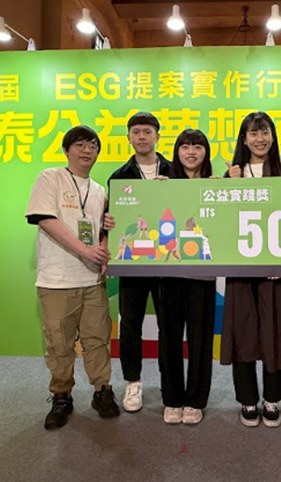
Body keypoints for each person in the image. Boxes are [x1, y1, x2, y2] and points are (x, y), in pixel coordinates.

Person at [25, 125, 120, 429]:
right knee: (59, 344)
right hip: (57, 280)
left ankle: (102, 390)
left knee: (97, 340)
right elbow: (44, 220)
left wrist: (102, 250)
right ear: (66, 150)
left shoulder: (100, 191)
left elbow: (103, 231)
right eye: (80, 144)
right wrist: (85, 251)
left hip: (92, 281)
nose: (87, 150)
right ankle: (61, 396)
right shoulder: (50, 178)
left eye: (93, 145)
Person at [221, 111, 281, 428]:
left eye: (265, 131)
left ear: (273, 136)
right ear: (244, 139)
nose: (260, 138)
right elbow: (221, 221)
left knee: (277, 332)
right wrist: (231, 187)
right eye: (253, 133)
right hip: (241, 270)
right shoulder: (232, 175)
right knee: (243, 334)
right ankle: (248, 400)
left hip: (278, 271)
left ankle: (272, 399)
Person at [107, 111, 172, 412]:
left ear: (158, 136)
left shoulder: (175, 172)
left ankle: (171, 382)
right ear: (129, 137)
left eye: (147, 131)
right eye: (136, 132)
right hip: (133, 263)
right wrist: (107, 222)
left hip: (168, 264)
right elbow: (113, 219)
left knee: (168, 325)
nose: (142, 136)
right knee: (130, 324)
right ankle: (132, 382)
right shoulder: (118, 177)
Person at [157, 129, 217, 425]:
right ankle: (172, 399)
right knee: (169, 337)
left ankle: (195, 400)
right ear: (176, 152)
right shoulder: (163, 184)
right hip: (168, 273)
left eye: (197, 146)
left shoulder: (217, 185)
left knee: (200, 339)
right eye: (185, 146)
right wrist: (153, 195)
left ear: (206, 152)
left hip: (203, 277)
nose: (191, 152)